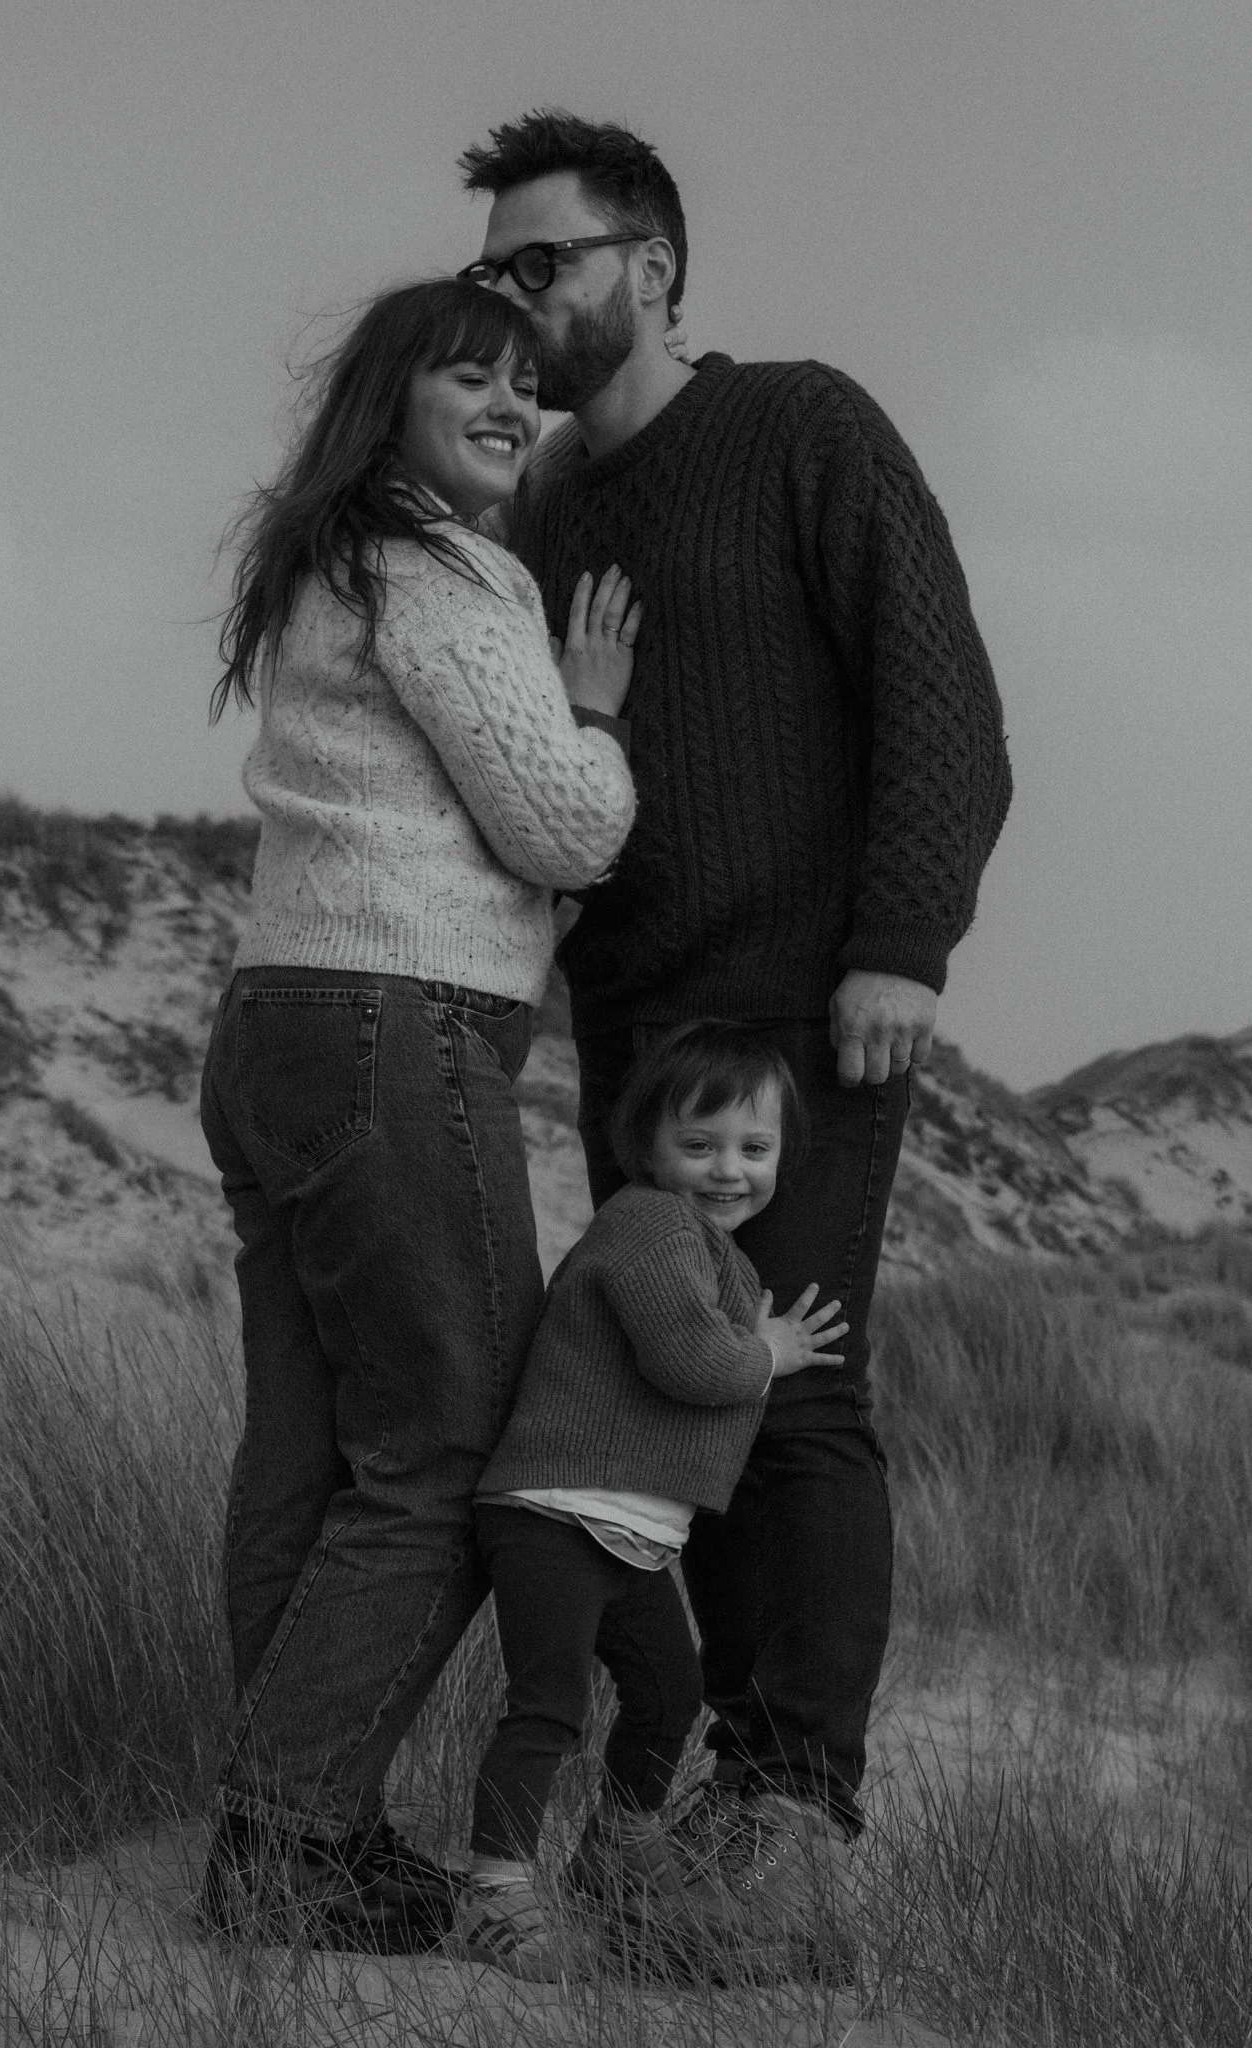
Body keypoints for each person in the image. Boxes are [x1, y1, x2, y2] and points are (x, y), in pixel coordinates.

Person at [455, 112, 1013, 1962]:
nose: (518, 298)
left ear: (654, 265)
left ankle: (798, 1802)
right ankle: (708, 1778)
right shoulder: (535, 508)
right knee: (672, 1387)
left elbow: (940, 686)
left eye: (547, 263)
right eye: (497, 272)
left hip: (805, 1014)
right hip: (630, 1025)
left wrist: (901, 946)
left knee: (801, 1389)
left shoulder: (803, 426)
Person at [197, 277, 639, 1949]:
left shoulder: (333, 557)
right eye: (478, 375)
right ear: (393, 396)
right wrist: (593, 707)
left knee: (311, 1461)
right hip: (392, 1025)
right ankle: (284, 1838)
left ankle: (300, 1833)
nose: (517, 405)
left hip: (280, 1020)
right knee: (460, 1449)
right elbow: (563, 826)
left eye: (533, 384)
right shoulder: (442, 569)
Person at [453, 1022, 850, 1981]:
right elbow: (690, 1363)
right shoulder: (647, 1224)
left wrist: (749, 1339)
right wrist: (768, 1355)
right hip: (553, 1508)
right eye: (699, 1144)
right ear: (647, 1147)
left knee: (669, 1693)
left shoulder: (718, 1258)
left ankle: (617, 1850)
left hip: (627, 1529)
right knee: (546, 1709)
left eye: (753, 1149)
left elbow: (705, 1382)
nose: (727, 1170)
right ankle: (494, 1891)